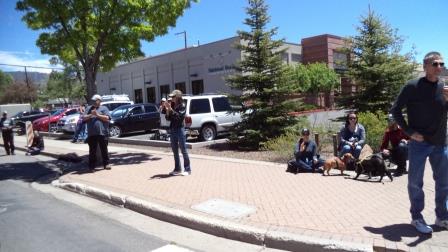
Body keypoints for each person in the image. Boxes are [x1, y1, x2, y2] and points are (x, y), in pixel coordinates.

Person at [390, 51, 448, 234]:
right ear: (425, 67)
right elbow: (395, 110)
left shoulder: (443, 87)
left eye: (441, 64)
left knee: (444, 183)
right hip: (419, 144)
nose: (439, 67)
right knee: (415, 182)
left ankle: (442, 217)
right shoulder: (412, 86)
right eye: (435, 64)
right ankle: (417, 217)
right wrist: (409, 132)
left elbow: (443, 111)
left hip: (440, 143)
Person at [164, 89, 191, 176]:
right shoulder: (173, 105)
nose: (171, 98)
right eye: (171, 97)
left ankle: (187, 169)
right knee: (175, 151)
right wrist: (168, 110)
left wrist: (171, 109)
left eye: (173, 97)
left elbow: (179, 118)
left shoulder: (182, 105)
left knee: (183, 150)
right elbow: (168, 118)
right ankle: (177, 169)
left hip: (180, 129)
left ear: (178, 97)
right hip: (172, 129)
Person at [84, 94, 111, 171]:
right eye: (92, 100)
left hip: (103, 133)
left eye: (95, 100)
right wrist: (91, 114)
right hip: (92, 133)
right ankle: (91, 166)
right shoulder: (88, 108)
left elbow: (107, 118)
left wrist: (97, 115)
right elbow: (84, 118)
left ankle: (106, 164)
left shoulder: (104, 108)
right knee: (92, 151)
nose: (93, 102)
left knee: (104, 149)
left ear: (99, 101)